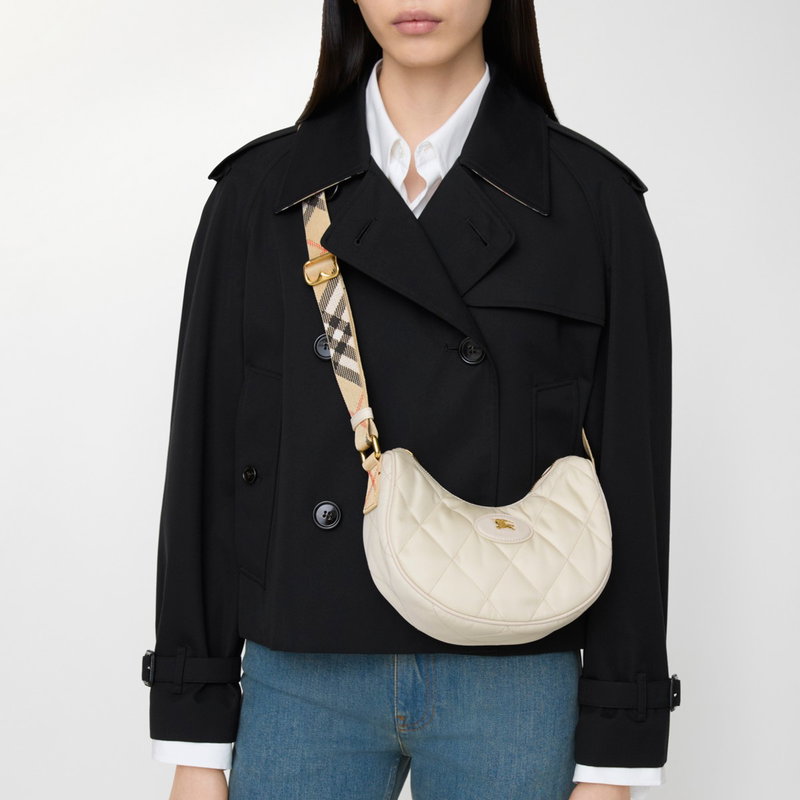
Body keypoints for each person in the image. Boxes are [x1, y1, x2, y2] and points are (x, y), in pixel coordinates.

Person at [141, 2, 681, 799]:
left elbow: (631, 477)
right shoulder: (260, 195)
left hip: (512, 676)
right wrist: (194, 741)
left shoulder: (592, 202)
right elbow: (208, 462)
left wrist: (615, 759)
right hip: (303, 675)